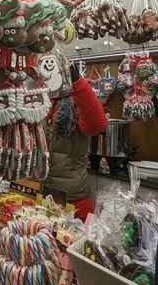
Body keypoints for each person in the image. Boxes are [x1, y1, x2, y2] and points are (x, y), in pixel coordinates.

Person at [45, 63, 107, 220]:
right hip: (38, 193)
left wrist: (77, 81)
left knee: (75, 243)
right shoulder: (40, 99)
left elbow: (97, 125)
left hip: (71, 198)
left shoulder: (76, 100)